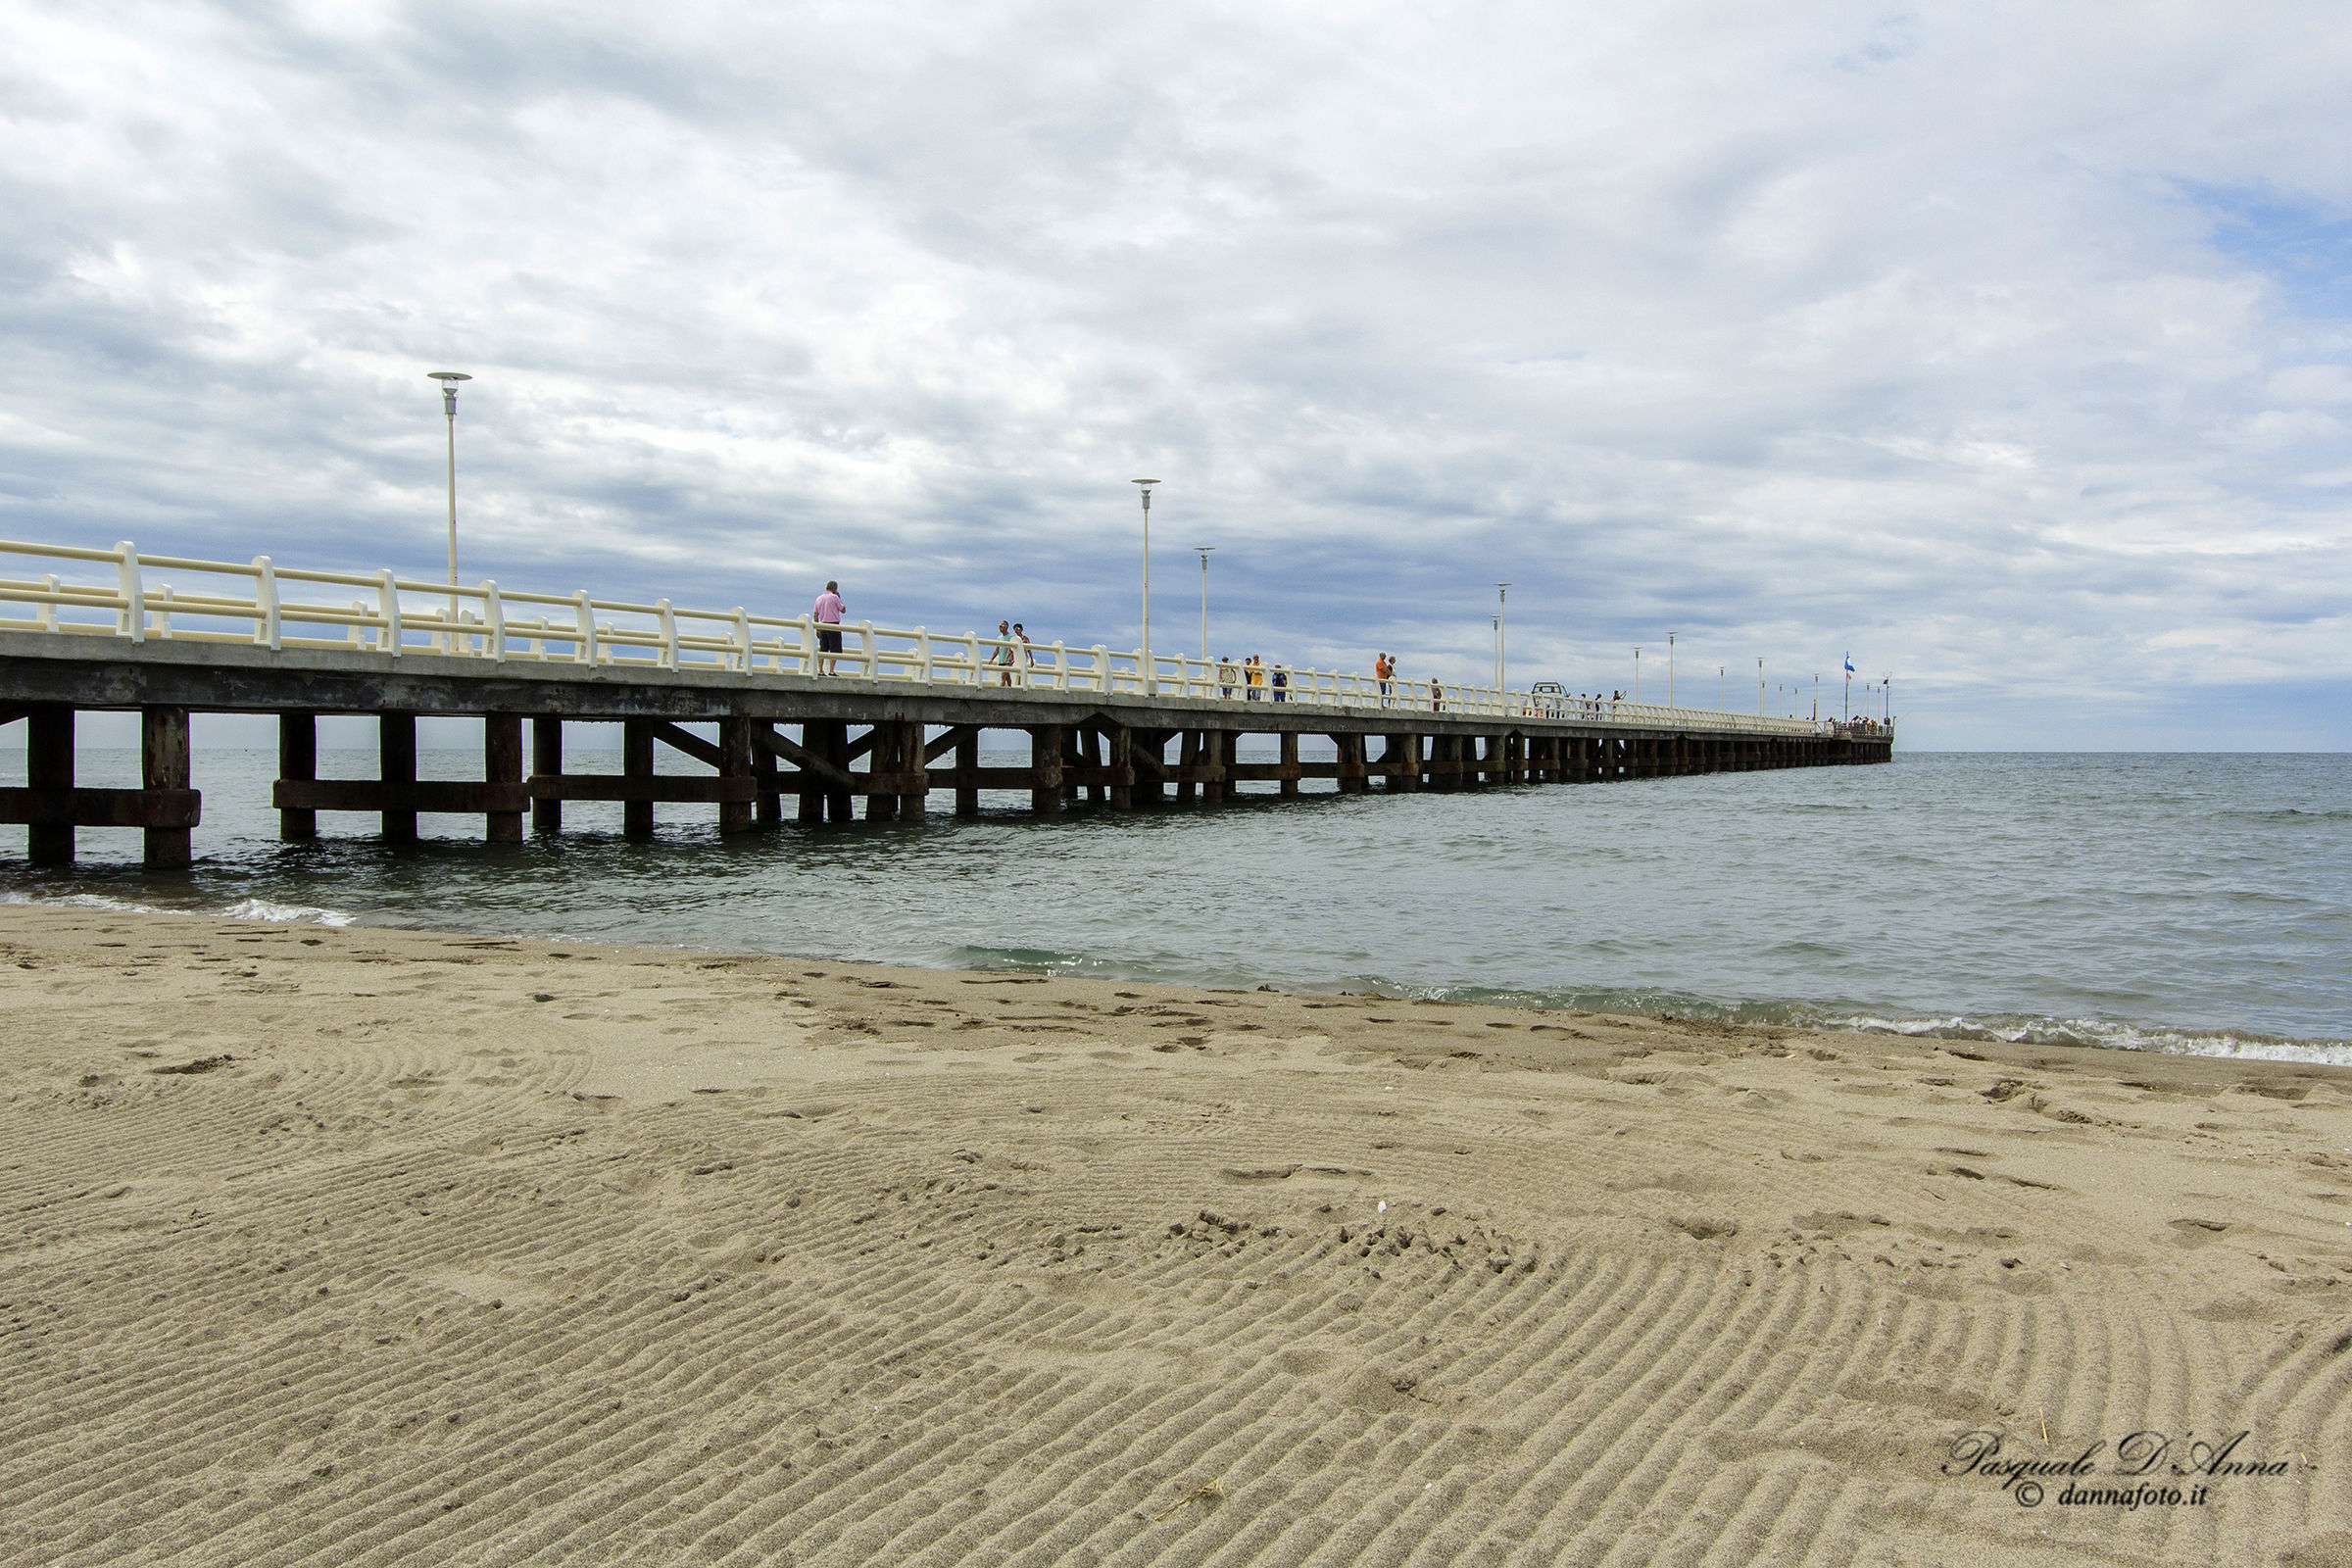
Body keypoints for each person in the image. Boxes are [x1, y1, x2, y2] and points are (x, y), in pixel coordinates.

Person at [812, 580, 845, 674]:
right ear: (835, 589)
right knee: (834, 649)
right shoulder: (835, 597)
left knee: (823, 649)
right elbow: (843, 610)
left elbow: (815, 614)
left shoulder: (819, 598)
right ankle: (831, 671)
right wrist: (839, 598)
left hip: (822, 625)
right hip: (833, 625)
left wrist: (817, 628)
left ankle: (820, 670)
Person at [991, 619, 1015, 686]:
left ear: (1006, 627)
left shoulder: (1011, 637)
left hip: (1008, 660)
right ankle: (1012, 689)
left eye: (1001, 626)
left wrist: (1009, 658)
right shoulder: (999, 638)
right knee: (1007, 678)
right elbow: (996, 650)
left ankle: (999, 692)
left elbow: (1013, 649)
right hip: (1001, 660)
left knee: (1003, 676)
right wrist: (992, 659)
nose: (1000, 628)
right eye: (999, 626)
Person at [1012, 622, 1034, 686]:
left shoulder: (1025, 639)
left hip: (1024, 657)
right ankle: (1017, 684)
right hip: (1015, 658)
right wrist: (1007, 658)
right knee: (1016, 671)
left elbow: (1029, 649)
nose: (1016, 630)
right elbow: (1010, 650)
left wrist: (1031, 659)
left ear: (1021, 629)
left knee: (1022, 670)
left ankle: (1020, 684)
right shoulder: (1014, 639)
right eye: (1015, 629)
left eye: (1018, 628)